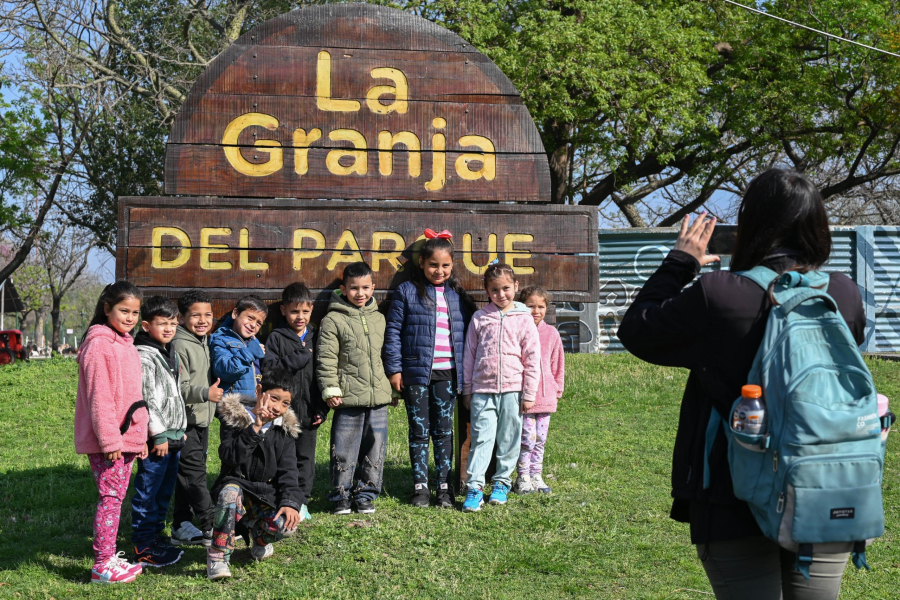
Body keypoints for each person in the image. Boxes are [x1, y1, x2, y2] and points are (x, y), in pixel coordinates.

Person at [617, 169, 866, 599]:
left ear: (752, 224)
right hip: (827, 482)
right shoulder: (842, 294)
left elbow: (638, 331)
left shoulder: (720, 294)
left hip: (732, 491)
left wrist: (681, 261)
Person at [384, 231, 474, 508]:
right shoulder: (406, 292)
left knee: (444, 432)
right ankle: (421, 487)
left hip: (448, 374)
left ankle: (444, 488)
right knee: (419, 431)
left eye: (445, 265)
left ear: (452, 266)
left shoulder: (457, 296)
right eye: (434, 264)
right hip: (415, 374)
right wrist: (394, 370)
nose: (439, 270)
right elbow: (393, 333)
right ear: (422, 262)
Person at [74, 281, 148, 584]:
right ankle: (102, 564)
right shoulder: (99, 345)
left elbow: (133, 395)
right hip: (111, 440)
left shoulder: (126, 344)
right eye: (123, 310)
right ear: (107, 309)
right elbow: (100, 398)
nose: (130, 317)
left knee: (115, 498)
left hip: (126, 437)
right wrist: (109, 440)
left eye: (135, 312)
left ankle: (108, 558)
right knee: (111, 499)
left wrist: (138, 437)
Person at [206, 369, 302, 581]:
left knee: (288, 522)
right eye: (274, 398)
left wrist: (290, 503)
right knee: (229, 493)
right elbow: (229, 456)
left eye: (285, 403)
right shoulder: (236, 420)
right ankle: (218, 556)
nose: (277, 407)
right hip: (237, 487)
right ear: (259, 391)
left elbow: (289, 472)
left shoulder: (283, 430)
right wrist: (256, 426)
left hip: (265, 495)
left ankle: (259, 539)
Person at [461, 262, 541, 512]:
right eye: (494, 290)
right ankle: (474, 488)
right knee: (481, 440)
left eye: (506, 288)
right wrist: (467, 389)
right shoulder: (480, 317)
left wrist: (528, 394)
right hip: (482, 392)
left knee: (508, 439)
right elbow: (469, 355)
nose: (501, 294)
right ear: (487, 291)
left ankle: (501, 484)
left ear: (516, 286)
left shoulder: (524, 319)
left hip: (513, 391)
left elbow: (532, 358)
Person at [316, 261, 395, 515]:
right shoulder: (333, 320)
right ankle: (341, 495)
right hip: (347, 399)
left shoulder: (379, 319)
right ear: (343, 289)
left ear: (373, 287)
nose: (360, 294)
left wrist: (390, 389)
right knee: (344, 448)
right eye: (353, 288)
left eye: (365, 287)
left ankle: (366, 494)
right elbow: (326, 358)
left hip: (378, 398)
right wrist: (330, 388)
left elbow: (385, 356)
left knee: (376, 446)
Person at [261, 282, 329, 519]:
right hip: (282, 413)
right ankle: (282, 498)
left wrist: (321, 408)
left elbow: (324, 373)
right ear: (283, 310)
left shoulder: (317, 337)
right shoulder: (276, 338)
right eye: (294, 311)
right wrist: (298, 357)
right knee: (282, 456)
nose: (300, 317)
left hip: (309, 410)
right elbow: (269, 372)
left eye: (305, 312)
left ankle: (302, 501)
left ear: (311, 309)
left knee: (305, 458)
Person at [131, 296, 187, 568]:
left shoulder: (168, 351)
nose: (168, 328)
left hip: (173, 436)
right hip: (158, 440)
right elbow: (148, 397)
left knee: (164, 492)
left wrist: (179, 429)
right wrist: (160, 434)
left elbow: (173, 395)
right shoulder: (144, 354)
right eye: (161, 323)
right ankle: (142, 545)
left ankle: (155, 538)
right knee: (148, 491)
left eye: (173, 323)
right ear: (145, 325)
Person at [170, 290, 223, 547]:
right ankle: (213, 525)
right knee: (195, 476)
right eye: (195, 315)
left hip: (201, 420)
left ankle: (181, 524)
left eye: (208, 315)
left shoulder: (202, 340)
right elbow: (178, 386)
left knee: (187, 477)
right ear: (181, 318)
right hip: (185, 422)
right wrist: (206, 393)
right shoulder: (180, 344)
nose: (203, 320)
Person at [514, 286, 564, 495]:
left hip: (546, 397)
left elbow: (557, 364)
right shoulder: (517, 329)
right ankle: (522, 475)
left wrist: (557, 389)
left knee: (541, 439)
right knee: (527, 437)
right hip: (525, 397)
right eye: (530, 306)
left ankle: (536, 474)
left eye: (541, 306)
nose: (536, 311)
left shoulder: (551, 333)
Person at [210, 295, 267, 403]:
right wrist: (249, 352)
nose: (253, 325)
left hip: (253, 404)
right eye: (250, 317)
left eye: (259, 323)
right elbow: (224, 371)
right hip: (233, 406)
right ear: (235, 313)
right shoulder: (221, 339)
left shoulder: (253, 342)